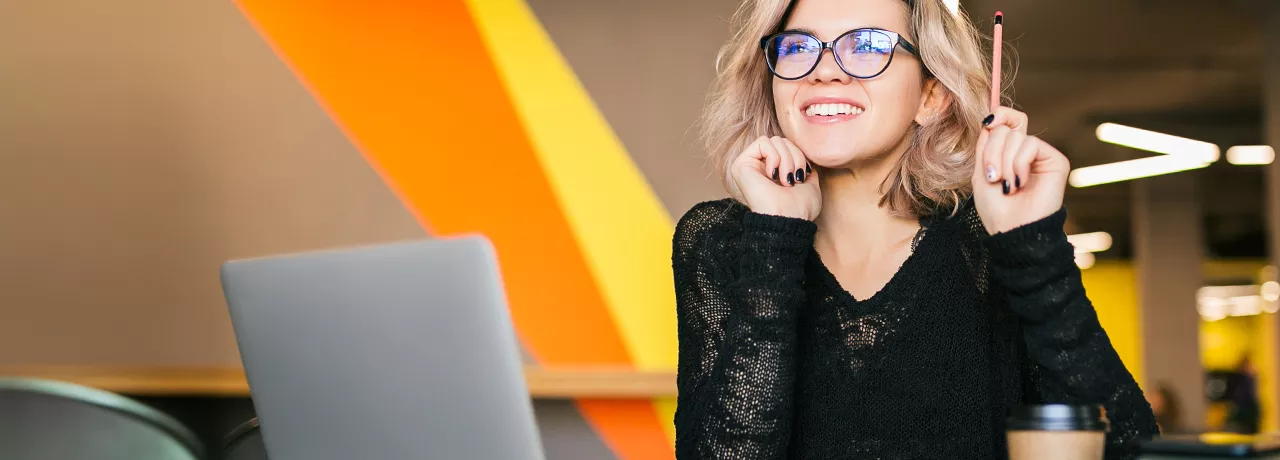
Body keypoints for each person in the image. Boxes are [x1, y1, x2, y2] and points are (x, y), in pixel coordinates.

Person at [670, 0, 1159, 458]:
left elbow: (1126, 447)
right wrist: (775, 234)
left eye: (867, 46)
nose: (822, 70)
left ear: (932, 94)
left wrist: (1032, 250)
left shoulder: (986, 246)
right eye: (798, 46)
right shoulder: (721, 242)